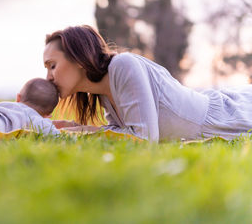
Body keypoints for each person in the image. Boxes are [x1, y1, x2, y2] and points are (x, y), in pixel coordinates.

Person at [43, 25, 252, 142]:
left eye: (52, 65)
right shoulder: (103, 92)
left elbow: (144, 138)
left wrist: (81, 133)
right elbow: (121, 134)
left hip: (230, 116)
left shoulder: (123, 65)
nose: (48, 77)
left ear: (78, 58)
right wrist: (76, 129)